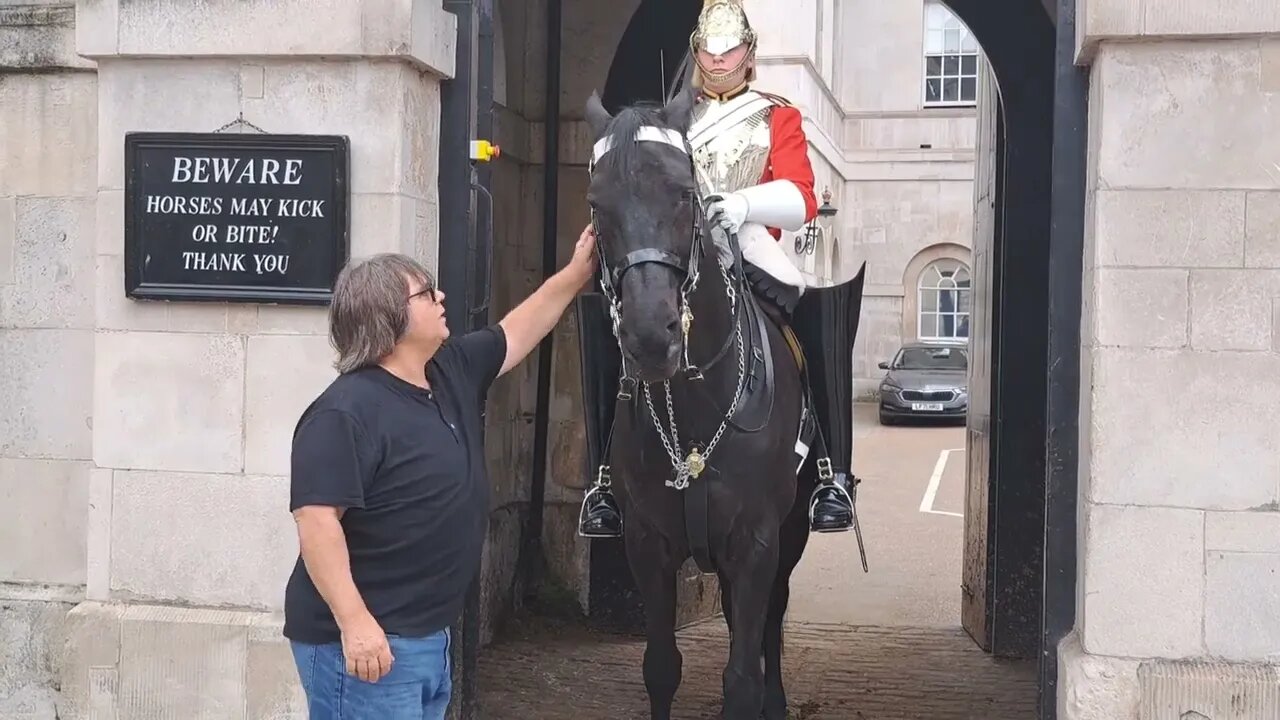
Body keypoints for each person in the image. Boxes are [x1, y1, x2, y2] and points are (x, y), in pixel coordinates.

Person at [283, 226, 597, 719]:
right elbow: (317, 522)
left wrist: (577, 274)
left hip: (428, 638)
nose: (441, 296)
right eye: (426, 293)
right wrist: (356, 623)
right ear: (388, 317)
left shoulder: (447, 370)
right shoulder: (343, 413)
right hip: (373, 647)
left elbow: (517, 330)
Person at [577, 0, 861, 538]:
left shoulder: (775, 114)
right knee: (612, 311)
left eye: (729, 50)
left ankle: (830, 470)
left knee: (810, 307)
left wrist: (743, 206)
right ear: (695, 52)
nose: (718, 59)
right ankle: (604, 480)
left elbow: (801, 195)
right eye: (709, 50)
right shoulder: (665, 119)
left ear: (749, 55)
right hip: (676, 247)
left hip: (749, 241)